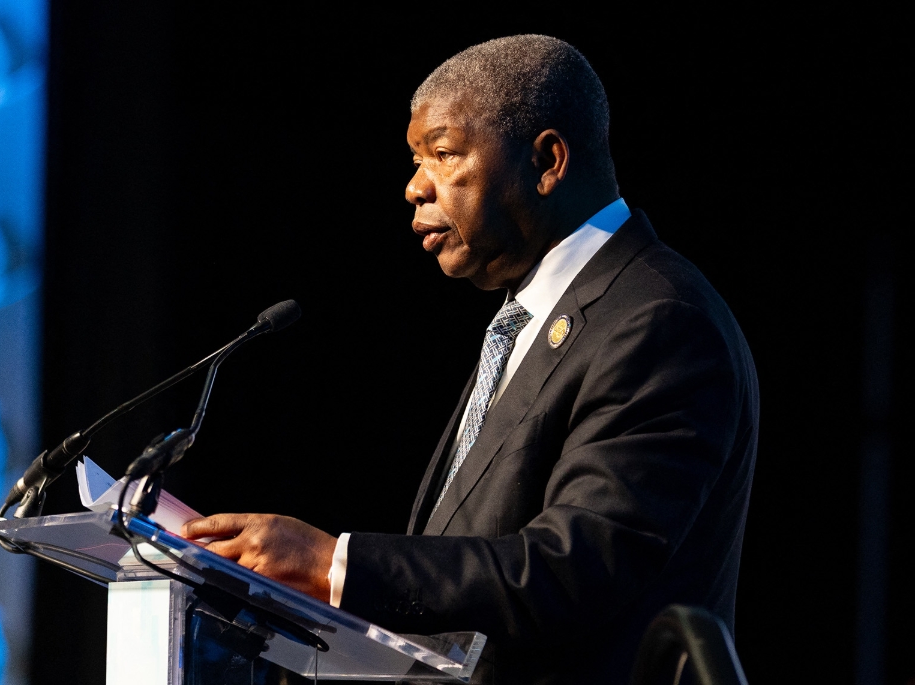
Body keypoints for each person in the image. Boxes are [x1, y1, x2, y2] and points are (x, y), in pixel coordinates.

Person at [182, 35, 758, 684]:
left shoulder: (660, 319)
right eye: (414, 159)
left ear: (546, 161)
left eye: (443, 153)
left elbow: (575, 569)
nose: (412, 187)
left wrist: (335, 563)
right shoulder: (526, 320)